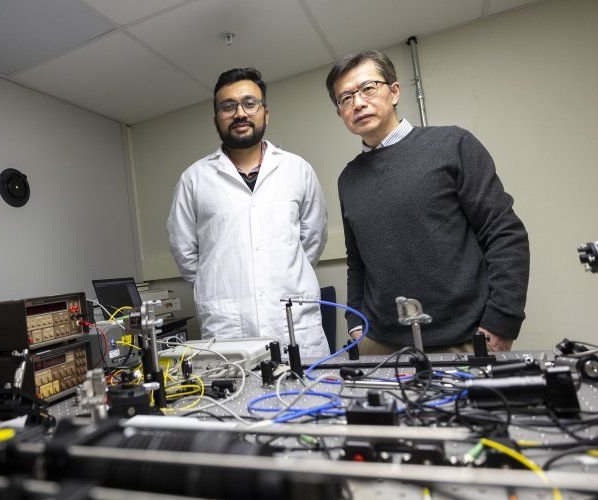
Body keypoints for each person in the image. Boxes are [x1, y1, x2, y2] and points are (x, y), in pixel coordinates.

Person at [325, 50, 529, 354]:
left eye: (368, 88)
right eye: (345, 98)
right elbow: (357, 260)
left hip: (464, 338)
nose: (358, 103)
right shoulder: (349, 179)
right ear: (340, 111)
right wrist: (355, 318)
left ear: (394, 92)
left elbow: (504, 234)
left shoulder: (453, 145)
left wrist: (502, 321)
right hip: (380, 343)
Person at [167, 67, 329, 358]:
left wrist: (280, 273)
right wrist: (221, 282)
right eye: (228, 107)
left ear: (265, 112)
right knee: (234, 402)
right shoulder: (194, 179)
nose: (240, 113)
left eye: (249, 103)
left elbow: (312, 240)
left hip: (293, 324)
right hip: (228, 329)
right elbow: (186, 253)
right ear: (216, 118)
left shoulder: (297, 170)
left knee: (308, 397)